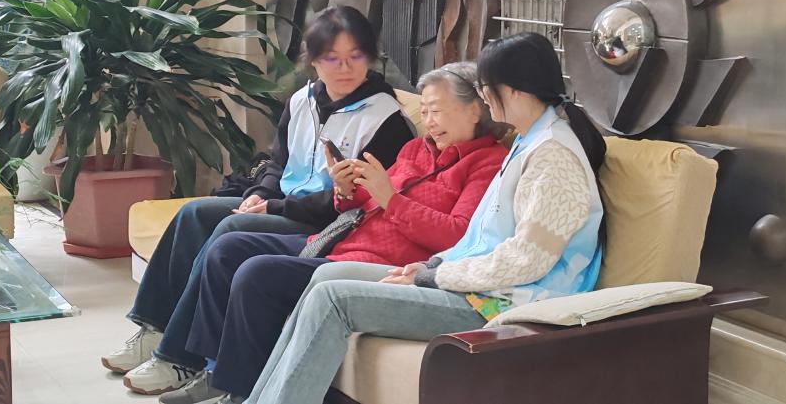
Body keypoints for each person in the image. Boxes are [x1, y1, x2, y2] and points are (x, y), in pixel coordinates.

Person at [215, 32, 607, 404]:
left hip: (506, 304)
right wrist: (431, 266)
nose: (484, 99)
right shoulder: (529, 140)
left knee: (334, 299)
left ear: (514, 90)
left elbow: (526, 261)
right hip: (476, 286)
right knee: (324, 282)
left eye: (486, 88)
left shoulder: (553, 156)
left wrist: (434, 275)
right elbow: (481, 238)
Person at [102, 5, 415, 395]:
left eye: (356, 56)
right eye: (332, 58)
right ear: (313, 60)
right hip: (284, 202)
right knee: (194, 213)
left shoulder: (386, 119)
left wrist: (275, 206)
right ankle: (153, 328)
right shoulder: (303, 100)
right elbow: (278, 161)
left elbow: (362, 202)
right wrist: (259, 193)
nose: (345, 68)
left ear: (370, 57)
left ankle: (179, 357)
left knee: (232, 228)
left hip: (328, 220)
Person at [163, 62, 509, 404]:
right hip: (340, 238)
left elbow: (457, 236)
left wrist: (390, 200)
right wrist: (345, 190)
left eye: (437, 111)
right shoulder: (416, 149)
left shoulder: (489, 163)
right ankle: (212, 372)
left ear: (475, 110)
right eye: (425, 111)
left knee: (257, 274)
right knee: (228, 249)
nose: (429, 121)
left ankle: (238, 390)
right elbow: (365, 201)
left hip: (380, 262)